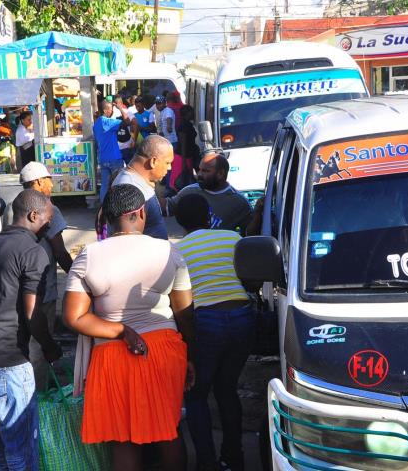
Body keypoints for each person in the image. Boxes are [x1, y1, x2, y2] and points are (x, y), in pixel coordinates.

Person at [63, 183, 196, 471]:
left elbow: (74, 318)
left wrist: (121, 331)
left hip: (111, 354)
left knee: (123, 440)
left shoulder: (90, 256)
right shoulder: (168, 252)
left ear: (107, 218)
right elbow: (185, 313)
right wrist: (191, 355)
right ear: (139, 214)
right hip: (163, 351)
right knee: (168, 430)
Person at [0, 189, 62, 471]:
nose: (51, 225)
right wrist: (49, 346)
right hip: (7, 364)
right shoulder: (33, 253)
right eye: (49, 219)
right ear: (34, 215)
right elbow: (33, 315)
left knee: (1, 448)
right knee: (21, 451)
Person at [174, 194, 255, 471]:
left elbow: (179, 299)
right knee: (226, 389)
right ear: (209, 215)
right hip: (243, 316)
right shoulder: (231, 238)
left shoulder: (178, 250)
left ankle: (207, 463)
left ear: (179, 222)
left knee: (196, 395)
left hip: (206, 320)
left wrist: (190, 342)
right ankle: (234, 457)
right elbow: (249, 278)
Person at [19, 162, 74, 391]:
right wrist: (78, 276)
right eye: (49, 179)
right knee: (41, 345)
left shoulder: (19, 206)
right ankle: (38, 397)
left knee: (27, 342)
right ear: (39, 182)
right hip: (44, 287)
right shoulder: (49, 208)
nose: (52, 183)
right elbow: (60, 250)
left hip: (21, 286)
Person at [162, 153, 261, 235]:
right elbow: (167, 207)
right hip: (191, 252)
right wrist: (148, 186)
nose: (199, 174)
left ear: (221, 174)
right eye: (199, 169)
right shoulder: (189, 191)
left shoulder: (239, 202)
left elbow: (249, 234)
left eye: (205, 171)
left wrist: (258, 213)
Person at [112, 135, 174, 240]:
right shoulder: (130, 188)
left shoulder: (138, 182)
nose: (169, 168)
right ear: (153, 161)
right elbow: (126, 240)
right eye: (167, 163)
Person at [94, 99, 131, 202]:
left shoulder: (96, 124)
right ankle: (118, 206)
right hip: (114, 158)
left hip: (102, 159)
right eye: (111, 109)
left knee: (104, 185)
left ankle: (103, 208)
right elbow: (127, 121)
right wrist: (120, 108)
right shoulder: (108, 122)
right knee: (118, 183)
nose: (112, 111)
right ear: (106, 110)